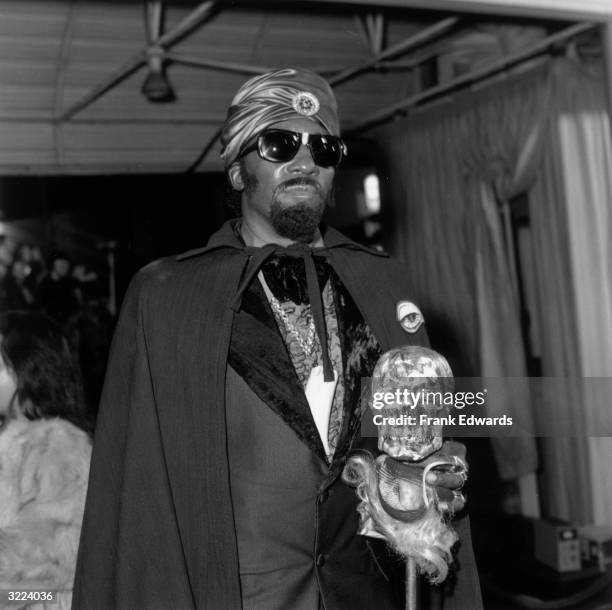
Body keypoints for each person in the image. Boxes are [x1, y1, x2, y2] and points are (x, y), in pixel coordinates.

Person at [73, 68, 482, 609]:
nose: (305, 161)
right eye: (279, 143)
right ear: (239, 169)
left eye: (324, 148)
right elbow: (137, 500)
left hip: (365, 595)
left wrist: (429, 481)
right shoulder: (169, 297)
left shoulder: (383, 286)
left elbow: (417, 444)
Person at [0, 311, 92, 610]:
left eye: (0, 364)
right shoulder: (11, 442)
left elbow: (57, 585)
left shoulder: (60, 449)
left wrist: (7, 598)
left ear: (31, 370)